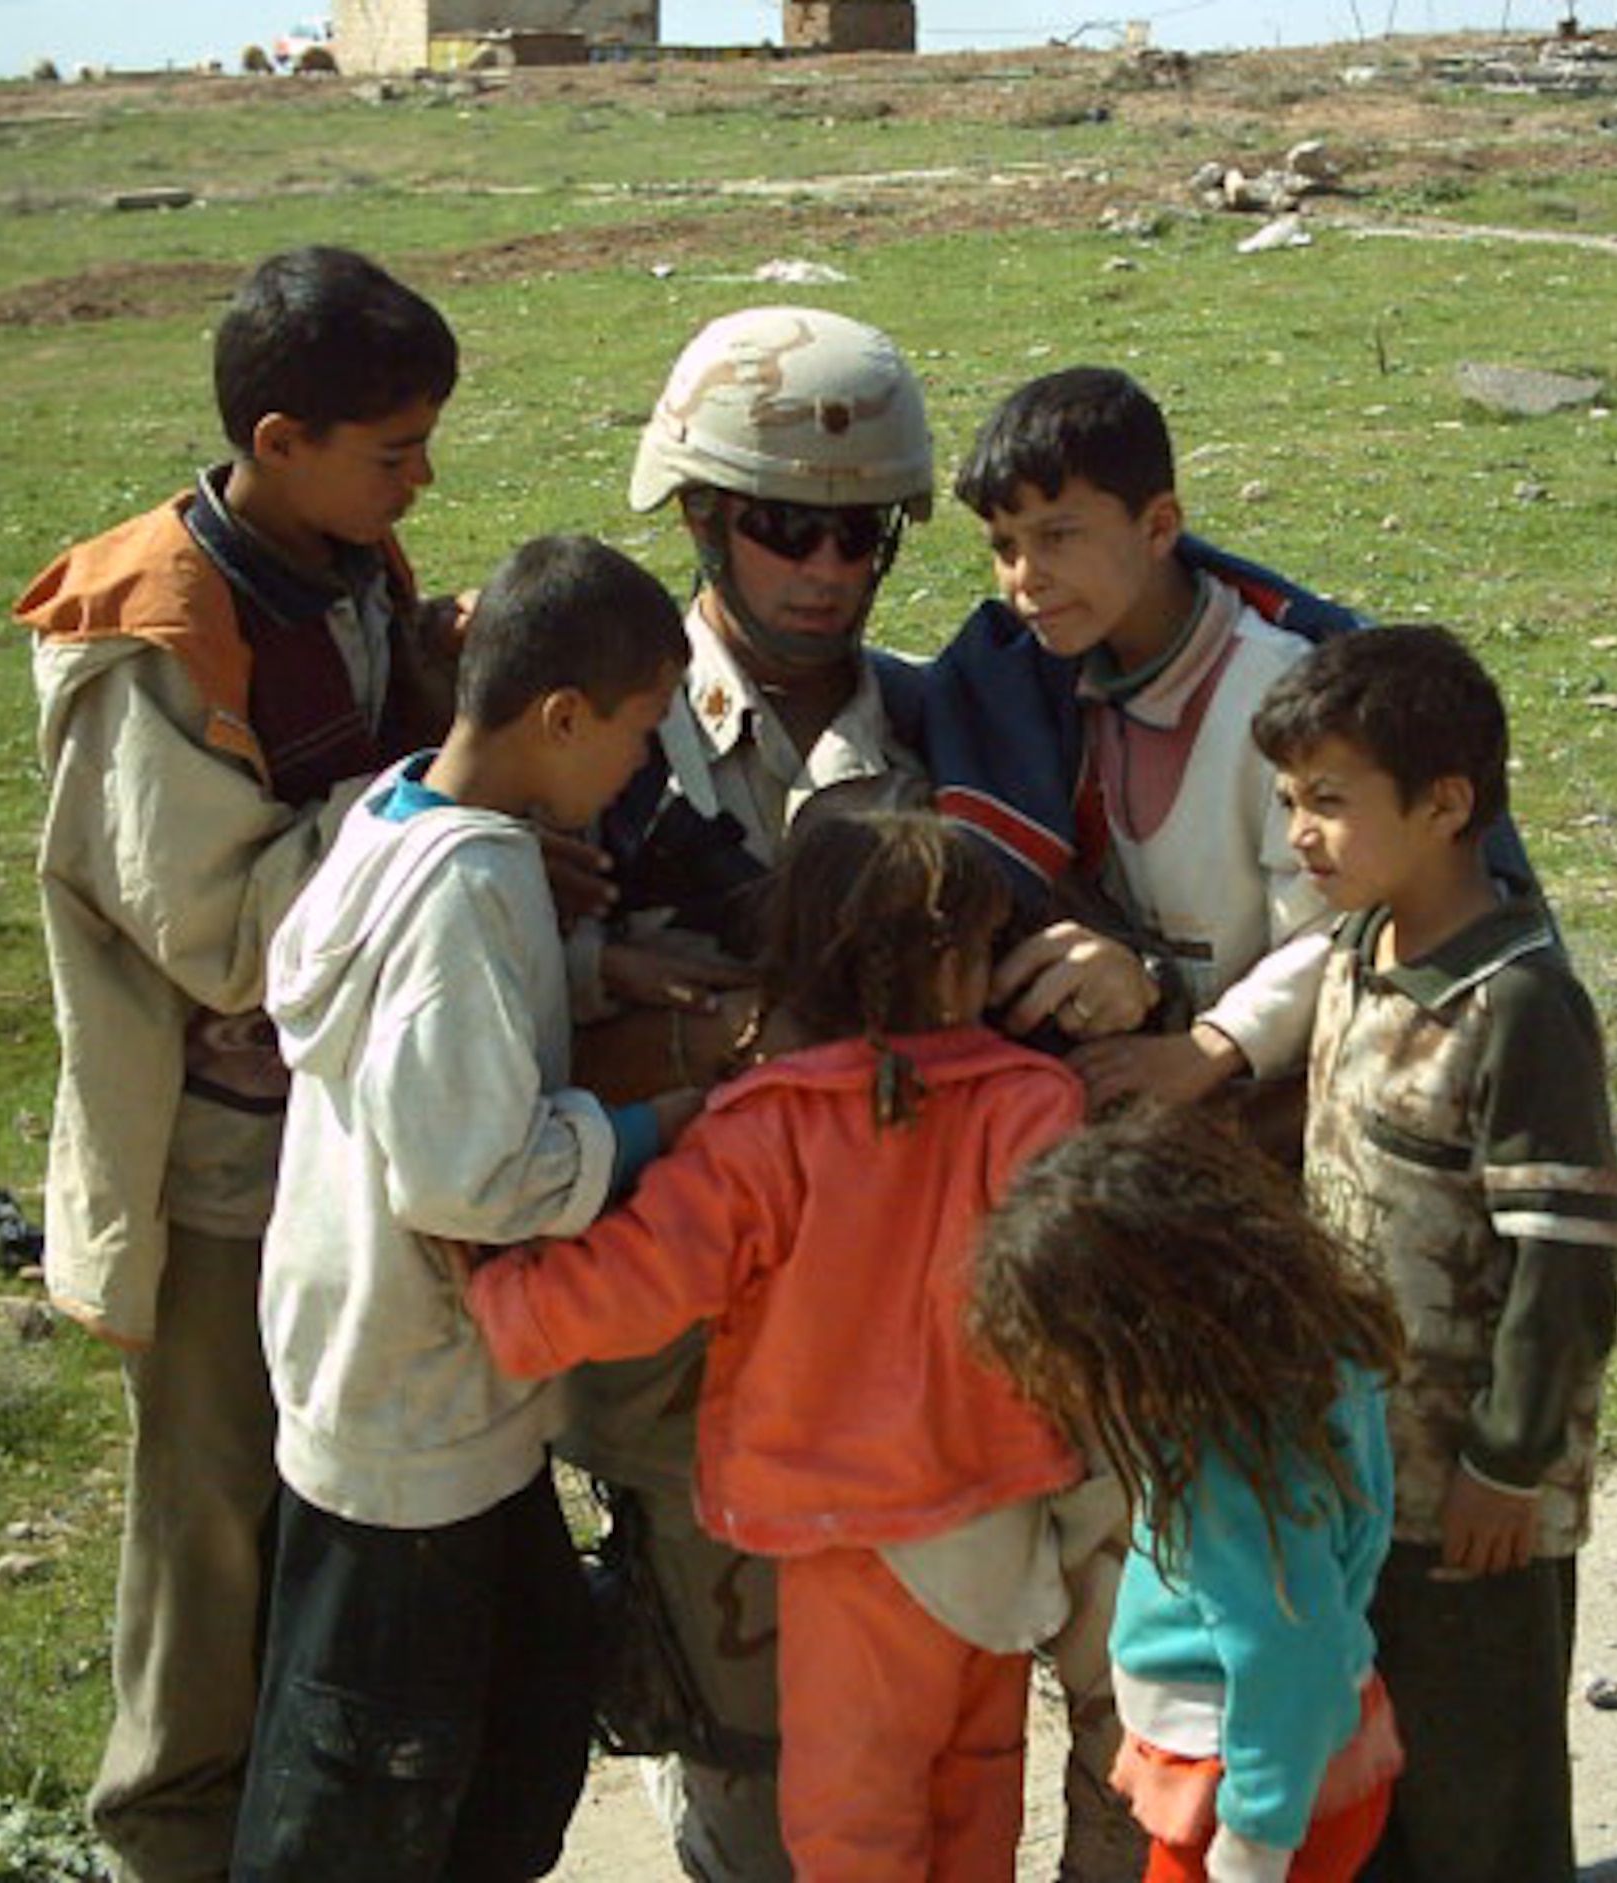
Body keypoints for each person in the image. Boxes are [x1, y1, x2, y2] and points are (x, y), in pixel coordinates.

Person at [565, 306, 1147, 1883]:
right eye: (780, 528)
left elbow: (1058, 955)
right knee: (774, 1812)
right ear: (696, 513)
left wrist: (1113, 964)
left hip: (955, 1382)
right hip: (714, 1376)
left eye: (861, 535)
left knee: (984, 1760)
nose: (825, 570)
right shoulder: (600, 734)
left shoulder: (956, 723)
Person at [15, 244, 463, 1882]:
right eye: (393, 448)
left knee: (343, 1496)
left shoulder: (344, 560)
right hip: (217, 1163)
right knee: (212, 1521)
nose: (422, 479)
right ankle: (171, 1834)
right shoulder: (151, 629)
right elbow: (221, 936)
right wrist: (432, 781)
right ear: (280, 441)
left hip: (344, 1138)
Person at [469, 810, 1087, 1882]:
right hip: (998, 1505)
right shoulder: (1034, 1104)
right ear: (956, 963)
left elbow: (637, 1282)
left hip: (846, 1530)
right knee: (975, 1767)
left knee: (855, 1803)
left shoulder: (766, 1127)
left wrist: (504, 1298)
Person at [230, 533, 698, 1881]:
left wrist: (602, 969)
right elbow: (467, 1172)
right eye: (633, 732)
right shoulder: (479, 883)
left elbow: (415, 1025)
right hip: (419, 1416)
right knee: (378, 1777)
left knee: (520, 1709)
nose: (633, 766)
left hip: (384, 1377)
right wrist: (655, 1124)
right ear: (561, 718)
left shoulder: (397, 814)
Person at [1249, 623, 1617, 1883]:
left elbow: (1562, 1267)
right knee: (1369, 1789)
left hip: (1470, 1499)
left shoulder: (1518, 1003)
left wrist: (1505, 1467)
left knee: (1483, 1792)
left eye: (1328, 801)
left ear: (1445, 802)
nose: (1299, 830)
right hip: (1357, 1472)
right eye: (1289, 800)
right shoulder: (1357, 952)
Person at [972, 1106, 1408, 1883]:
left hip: (1236, 1789)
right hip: (1309, 1754)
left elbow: (1284, 1650)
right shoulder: (1307, 1348)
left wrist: (1255, 1842)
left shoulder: (1230, 1452)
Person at [926, 365, 1367, 1123]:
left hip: (1297, 1089)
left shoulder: (1280, 689)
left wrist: (1207, 1048)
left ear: (1160, 526)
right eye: (1004, 546)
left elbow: (1342, 932)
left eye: (1057, 536)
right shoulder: (1042, 688)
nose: (1024, 578)